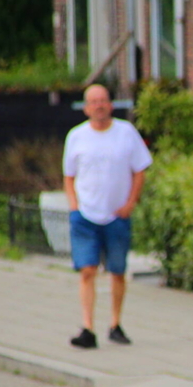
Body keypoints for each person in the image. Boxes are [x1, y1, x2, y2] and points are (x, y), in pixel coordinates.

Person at [63, 83, 152, 349]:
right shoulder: (76, 136)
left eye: (103, 100)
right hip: (85, 215)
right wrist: (74, 205)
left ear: (111, 104)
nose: (99, 106)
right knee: (87, 270)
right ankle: (87, 327)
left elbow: (140, 170)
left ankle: (115, 324)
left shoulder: (126, 133)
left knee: (117, 271)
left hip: (116, 216)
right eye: (93, 101)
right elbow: (69, 176)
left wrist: (130, 203)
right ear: (86, 108)